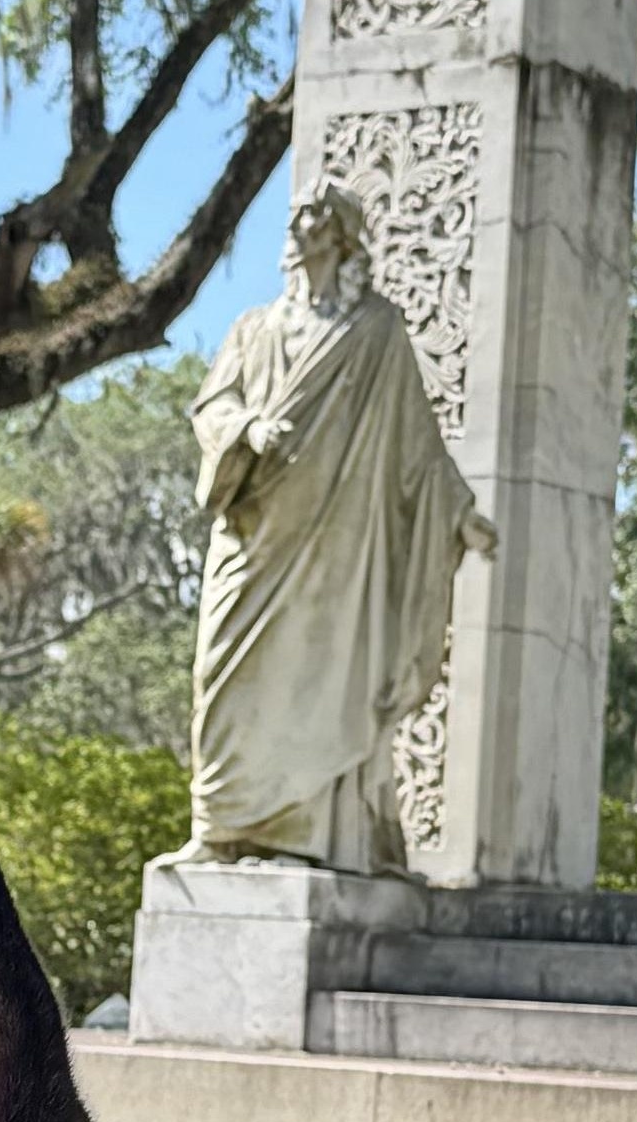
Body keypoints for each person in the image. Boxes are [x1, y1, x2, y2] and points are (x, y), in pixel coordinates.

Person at [183, 177, 492, 865]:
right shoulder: (253, 329)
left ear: (344, 235)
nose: (304, 222)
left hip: (334, 547)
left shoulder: (373, 330)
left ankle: (304, 836)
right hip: (255, 534)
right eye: (299, 213)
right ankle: (218, 827)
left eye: (320, 213)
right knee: (224, 676)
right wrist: (248, 430)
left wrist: (459, 511)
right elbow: (212, 408)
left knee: (318, 678)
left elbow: (416, 438)